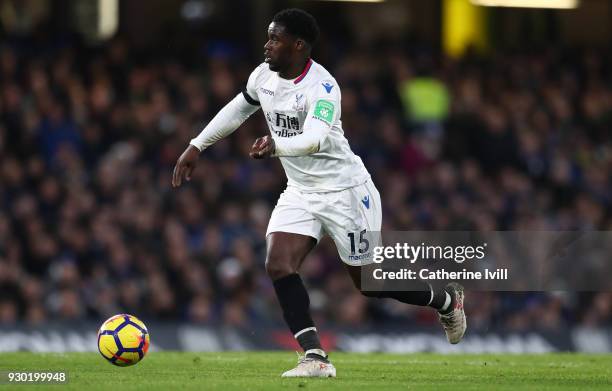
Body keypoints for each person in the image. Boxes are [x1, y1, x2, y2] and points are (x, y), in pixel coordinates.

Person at [172, 8, 466, 378]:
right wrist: (197, 145)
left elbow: (312, 139)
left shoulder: (323, 88)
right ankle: (315, 356)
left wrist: (276, 146)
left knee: (369, 283)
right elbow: (239, 108)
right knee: (278, 263)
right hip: (301, 190)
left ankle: (445, 299)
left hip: (345, 192)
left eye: (275, 39)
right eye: (268, 36)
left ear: (298, 46)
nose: (267, 45)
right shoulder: (263, 76)